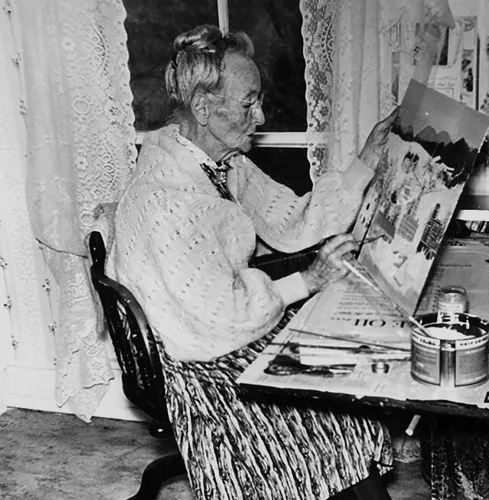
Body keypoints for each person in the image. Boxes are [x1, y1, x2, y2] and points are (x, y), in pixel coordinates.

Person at [111, 24, 398, 500]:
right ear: (203, 109)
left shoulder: (219, 164)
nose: (260, 115)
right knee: (331, 417)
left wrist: (367, 157)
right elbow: (221, 317)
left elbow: (293, 220)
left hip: (218, 328)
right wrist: (307, 281)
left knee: (345, 384)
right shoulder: (167, 198)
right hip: (195, 364)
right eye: (247, 104)